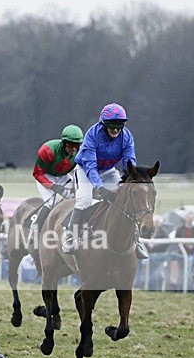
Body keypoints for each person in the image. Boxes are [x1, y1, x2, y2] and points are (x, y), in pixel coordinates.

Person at [61, 103, 148, 259]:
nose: (115, 129)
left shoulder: (127, 137)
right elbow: (90, 167)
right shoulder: (92, 135)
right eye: (111, 124)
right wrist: (100, 188)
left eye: (119, 125)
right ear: (103, 124)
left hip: (108, 170)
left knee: (127, 199)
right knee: (84, 200)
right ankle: (70, 236)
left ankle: (136, 240)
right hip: (85, 170)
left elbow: (130, 164)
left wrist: (131, 181)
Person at [29, 124, 83, 247]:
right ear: (64, 143)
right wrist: (53, 187)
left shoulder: (80, 153)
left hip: (62, 176)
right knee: (51, 202)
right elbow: (37, 173)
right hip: (45, 175)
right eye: (70, 145)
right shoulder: (47, 150)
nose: (73, 149)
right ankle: (35, 229)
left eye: (76, 145)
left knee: (78, 199)